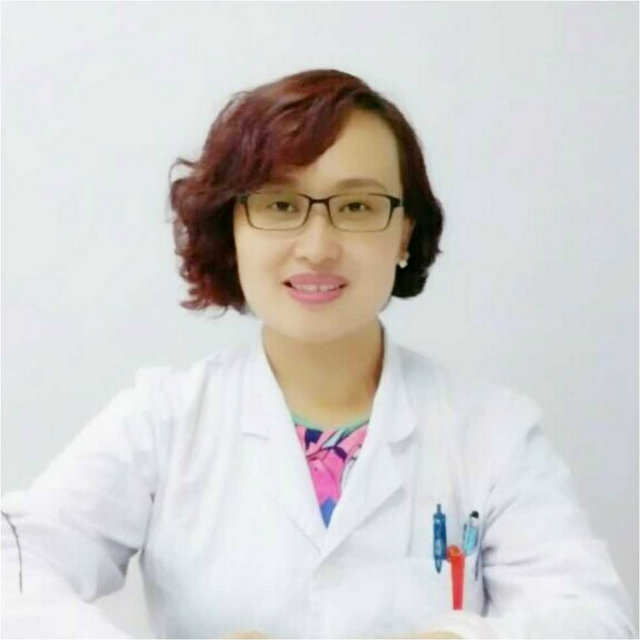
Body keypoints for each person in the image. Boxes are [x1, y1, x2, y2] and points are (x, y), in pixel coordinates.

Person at [1, 68, 636, 640]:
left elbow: (593, 615)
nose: (317, 246)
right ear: (231, 229)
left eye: (357, 206)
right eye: (280, 205)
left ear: (405, 233)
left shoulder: (491, 431)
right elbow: (16, 568)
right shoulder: (164, 420)